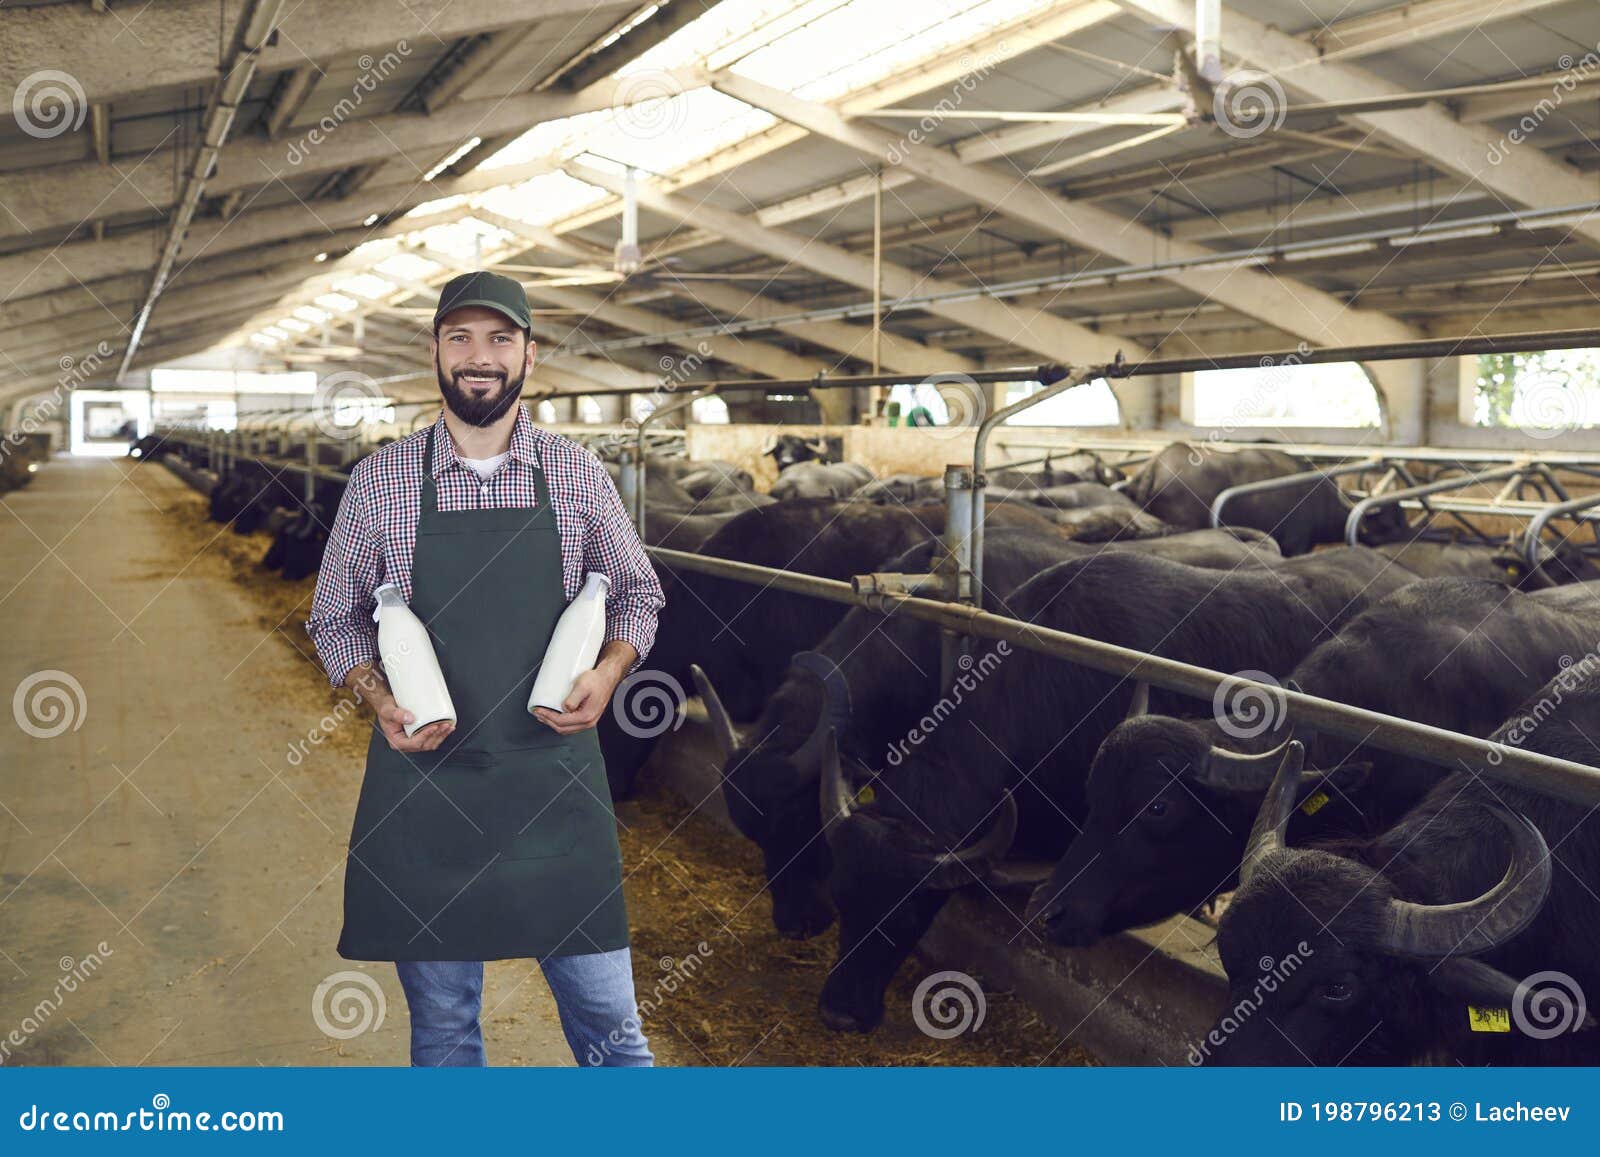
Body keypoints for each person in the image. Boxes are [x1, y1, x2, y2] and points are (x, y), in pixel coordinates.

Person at [305, 271, 666, 1067]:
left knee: (614, 1035)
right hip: (428, 790)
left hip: (553, 790)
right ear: (435, 351)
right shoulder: (380, 481)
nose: (480, 357)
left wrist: (607, 674)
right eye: (461, 338)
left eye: (500, 339)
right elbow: (333, 617)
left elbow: (639, 594)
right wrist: (375, 695)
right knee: (443, 1034)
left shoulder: (575, 475)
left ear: (529, 356)